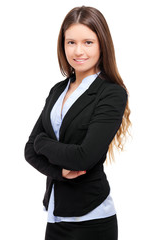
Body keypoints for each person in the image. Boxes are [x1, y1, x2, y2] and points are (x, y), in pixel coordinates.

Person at [24, 5, 131, 240]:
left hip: (92, 220)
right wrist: (60, 171)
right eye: (70, 42)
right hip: (56, 215)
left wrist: (42, 142)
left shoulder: (111, 94)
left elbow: (85, 157)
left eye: (88, 42)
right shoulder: (57, 90)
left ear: (102, 44)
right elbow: (28, 152)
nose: (78, 51)